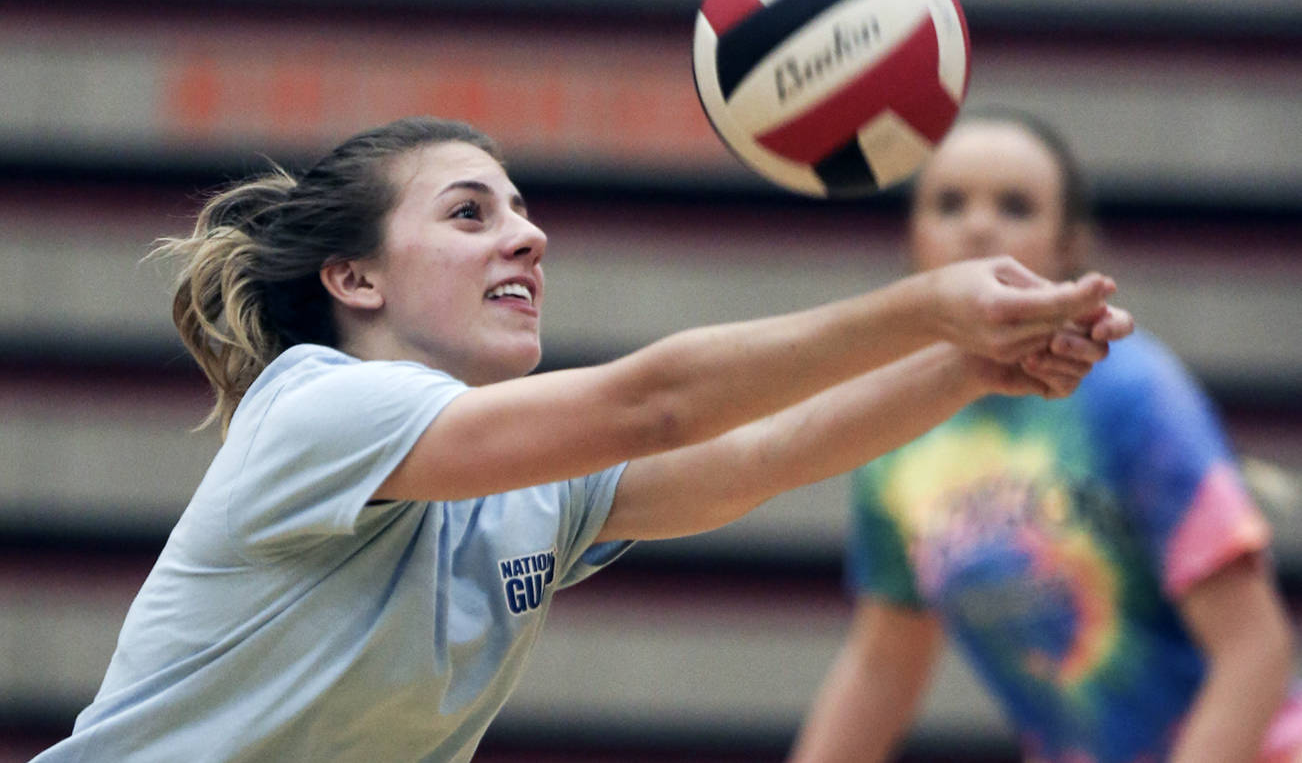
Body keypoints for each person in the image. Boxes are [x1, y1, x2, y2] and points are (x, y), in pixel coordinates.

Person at [34, 116, 1130, 763]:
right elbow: (654, 404)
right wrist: (923, 308)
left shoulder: (526, 479)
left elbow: (758, 458)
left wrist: (969, 366)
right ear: (353, 277)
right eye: (472, 214)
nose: (529, 232)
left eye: (521, 209)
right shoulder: (314, 407)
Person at [789, 110, 1302, 763]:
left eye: (1015, 205)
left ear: (1070, 247)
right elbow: (884, 664)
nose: (978, 224)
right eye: (949, 203)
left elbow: (1254, 651)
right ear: (912, 238)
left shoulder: (1133, 396)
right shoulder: (895, 428)